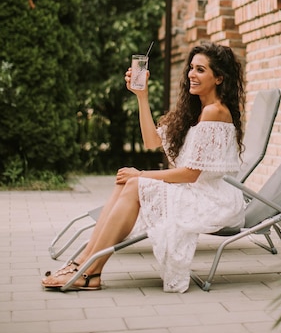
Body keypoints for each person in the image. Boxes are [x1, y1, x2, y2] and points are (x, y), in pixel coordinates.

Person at [42, 42, 246, 293]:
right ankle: (84, 264)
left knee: (135, 181)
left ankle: (88, 269)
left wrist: (141, 175)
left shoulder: (215, 112)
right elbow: (151, 142)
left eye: (201, 70)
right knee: (127, 182)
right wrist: (142, 96)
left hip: (212, 198)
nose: (192, 74)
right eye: (191, 68)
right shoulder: (197, 111)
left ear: (219, 78)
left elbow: (191, 175)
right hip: (195, 190)